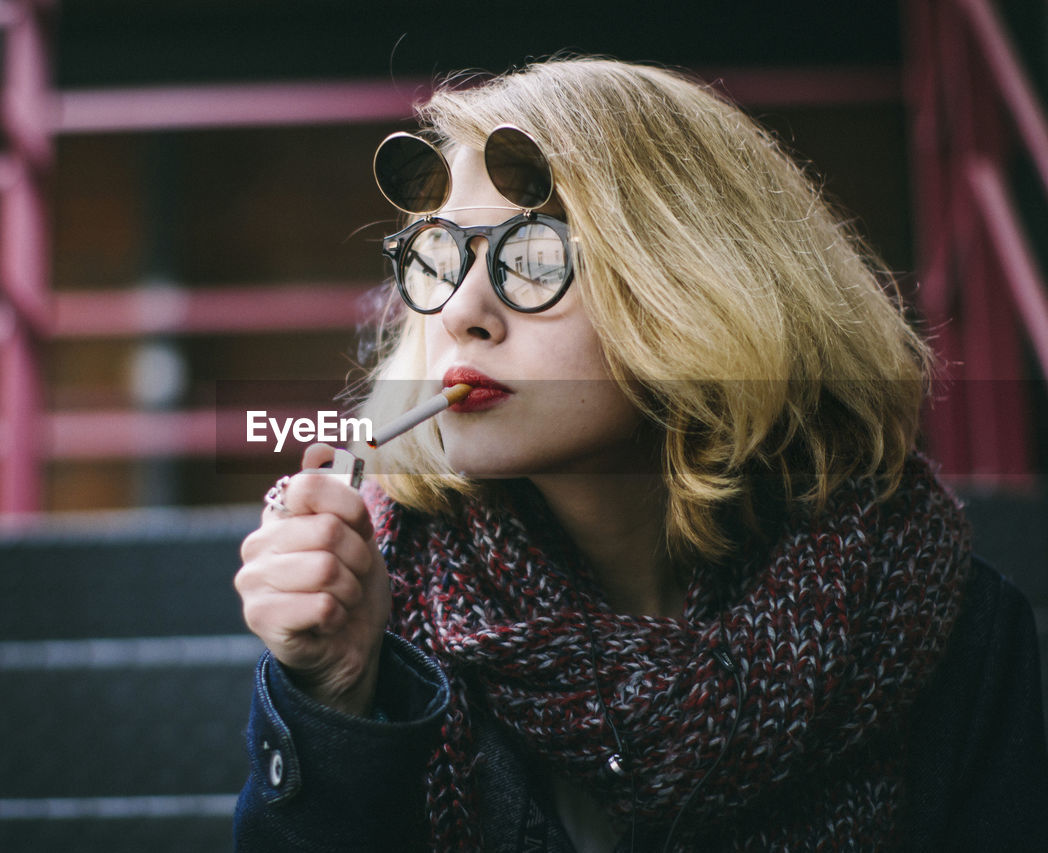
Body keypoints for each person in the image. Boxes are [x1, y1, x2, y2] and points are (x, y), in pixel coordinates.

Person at [232, 57, 1048, 851]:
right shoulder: (385, 612)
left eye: (534, 255)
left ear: (697, 281)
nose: (463, 310)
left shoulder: (939, 613)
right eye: (440, 258)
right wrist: (335, 700)